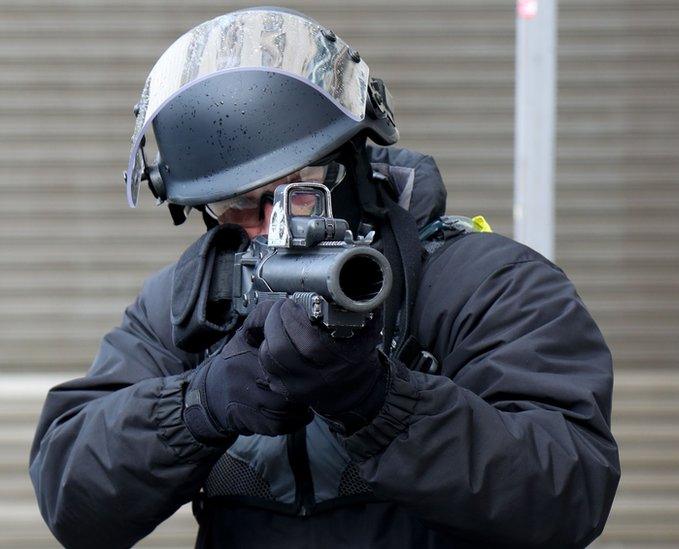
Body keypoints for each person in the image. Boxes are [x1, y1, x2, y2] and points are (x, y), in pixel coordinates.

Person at [29, 8, 619, 548]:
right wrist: (198, 405)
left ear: (353, 166)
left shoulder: (486, 284)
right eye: (234, 206)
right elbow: (72, 496)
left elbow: (568, 491)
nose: (266, 228)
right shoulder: (191, 301)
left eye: (294, 195)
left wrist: (380, 405)